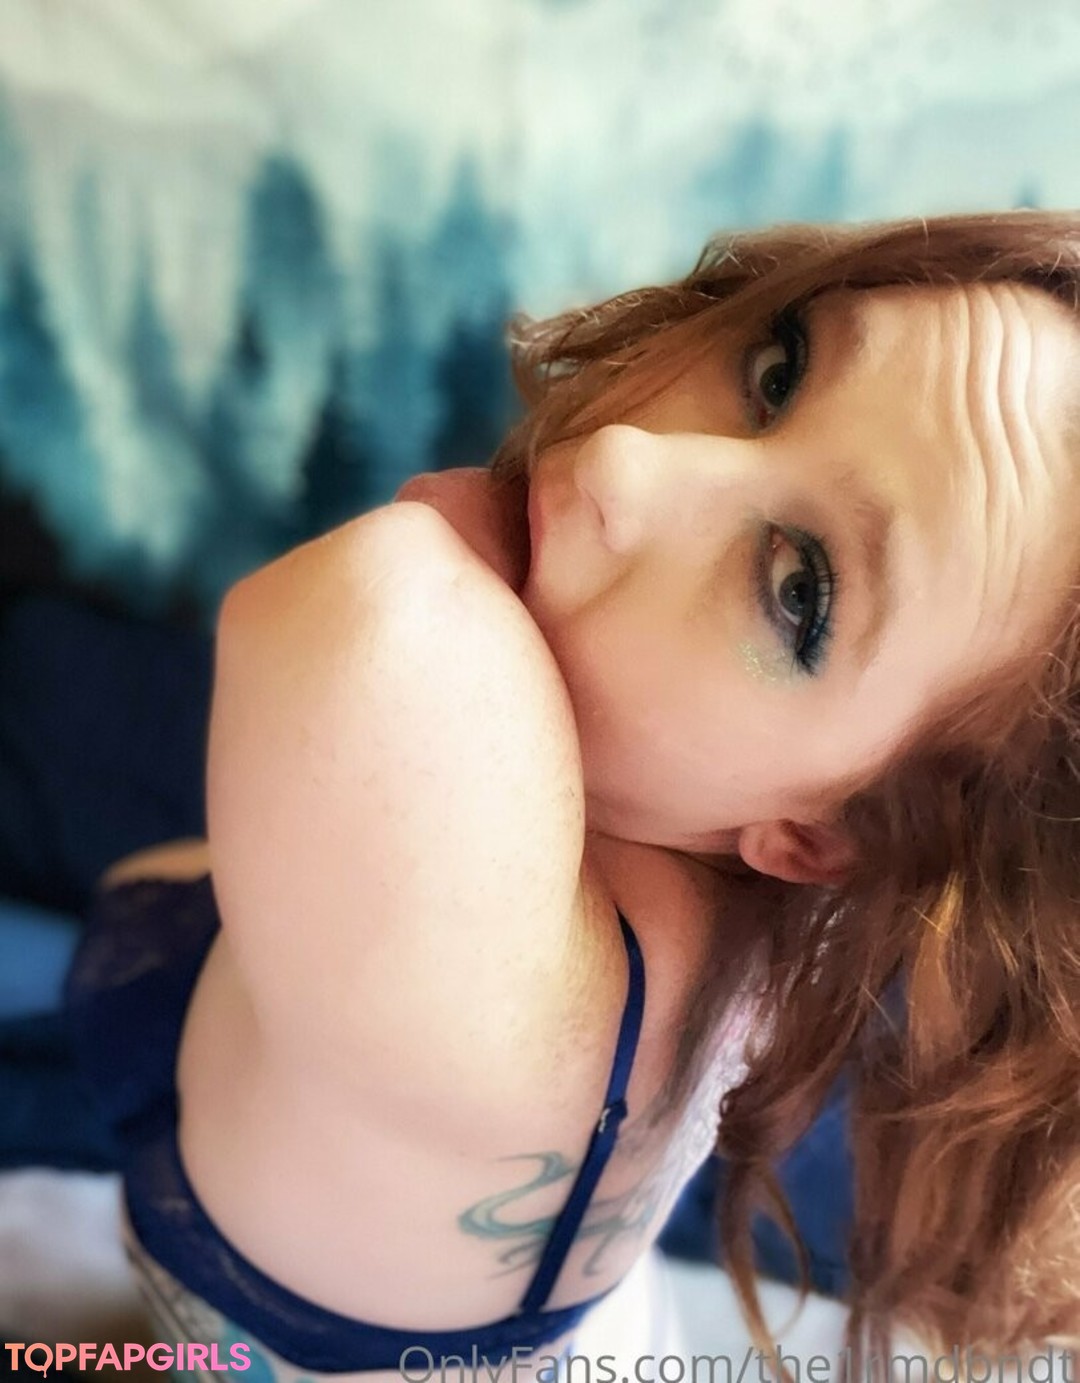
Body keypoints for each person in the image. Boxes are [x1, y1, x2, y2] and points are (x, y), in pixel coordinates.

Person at [68, 210, 1080, 1378]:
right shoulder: (815, 889)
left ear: (823, 835)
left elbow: (376, 594)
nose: (625, 461)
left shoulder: (398, 659)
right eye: (778, 370)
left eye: (798, 590)